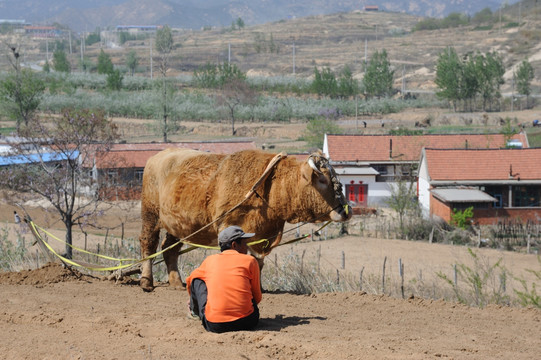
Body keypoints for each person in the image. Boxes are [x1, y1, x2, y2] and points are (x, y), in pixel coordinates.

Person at [186, 225, 262, 333]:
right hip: (248, 322)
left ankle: (195, 312)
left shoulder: (210, 261)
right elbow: (257, 298)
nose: (247, 247)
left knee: (197, 279)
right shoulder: (250, 260)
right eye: (245, 243)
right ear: (234, 245)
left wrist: (193, 302)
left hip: (215, 325)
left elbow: (191, 280)